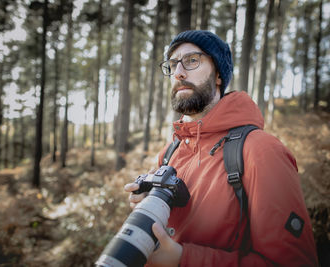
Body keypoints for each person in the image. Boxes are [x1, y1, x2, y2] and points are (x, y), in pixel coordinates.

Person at [125, 30, 318, 267]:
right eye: (173, 64)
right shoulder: (169, 152)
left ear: (218, 74)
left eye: (192, 60)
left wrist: (183, 259)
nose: (179, 72)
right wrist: (152, 207)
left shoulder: (261, 151)